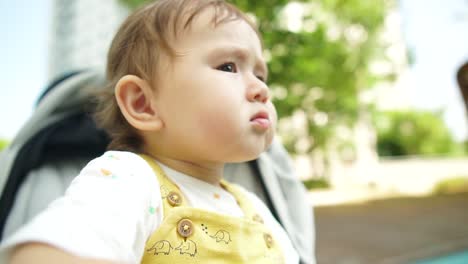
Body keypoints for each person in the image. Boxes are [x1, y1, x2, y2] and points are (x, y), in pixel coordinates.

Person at [0, 0, 312, 263]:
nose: (261, 89)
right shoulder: (129, 183)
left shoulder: (254, 207)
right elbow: (55, 248)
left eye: (260, 73)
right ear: (143, 104)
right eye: (229, 67)